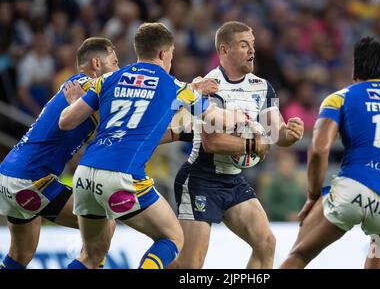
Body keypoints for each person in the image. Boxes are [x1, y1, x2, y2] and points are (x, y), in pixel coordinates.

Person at [58, 22, 247, 269]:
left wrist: (75, 101)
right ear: (163, 53)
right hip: (123, 176)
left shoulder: (108, 79)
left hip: (85, 174)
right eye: (171, 55)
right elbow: (216, 119)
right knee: (172, 237)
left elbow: (66, 121)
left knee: (90, 257)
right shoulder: (175, 87)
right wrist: (244, 118)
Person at [280, 37, 380, 269]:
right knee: (379, 239)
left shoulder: (341, 97)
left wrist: (313, 196)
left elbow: (319, 150)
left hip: (351, 194)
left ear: (355, 72)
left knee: (299, 255)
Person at [170, 21, 304, 269]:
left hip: (233, 180)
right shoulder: (208, 86)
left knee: (266, 243)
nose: (252, 50)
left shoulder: (263, 87)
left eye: (252, 45)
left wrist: (291, 133)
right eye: (244, 45)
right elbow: (211, 142)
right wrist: (254, 144)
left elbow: (277, 133)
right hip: (201, 179)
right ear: (224, 50)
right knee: (189, 265)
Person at [0, 37, 119, 269]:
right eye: (114, 62)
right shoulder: (90, 87)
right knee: (104, 224)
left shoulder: (76, 87)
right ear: (97, 63)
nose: (118, 69)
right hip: (31, 178)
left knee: (20, 255)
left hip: (8, 174)